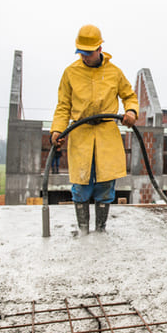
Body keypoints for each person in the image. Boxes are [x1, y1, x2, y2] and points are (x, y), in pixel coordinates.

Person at [51, 24, 139, 235]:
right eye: (80, 52)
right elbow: (63, 106)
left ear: (99, 48)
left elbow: (129, 96)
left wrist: (131, 111)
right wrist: (57, 130)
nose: (84, 57)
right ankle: (83, 232)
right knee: (81, 185)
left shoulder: (114, 73)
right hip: (81, 134)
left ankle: (100, 231)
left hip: (107, 134)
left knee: (106, 184)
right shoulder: (70, 73)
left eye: (88, 52)